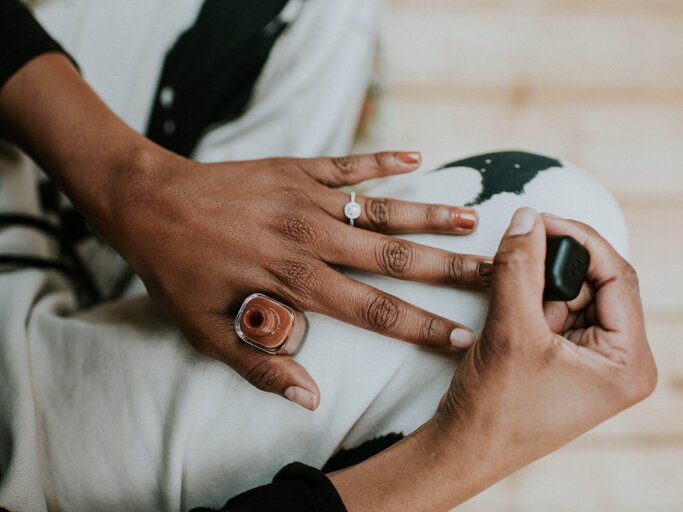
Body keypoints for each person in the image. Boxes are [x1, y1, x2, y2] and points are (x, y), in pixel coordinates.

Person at [0, 1, 656, 511]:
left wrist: (130, 183)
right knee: (554, 211)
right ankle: (170, 304)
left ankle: (193, 246)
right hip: (29, 448)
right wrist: (467, 450)